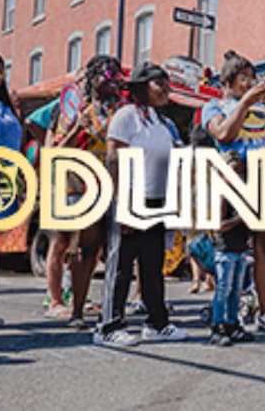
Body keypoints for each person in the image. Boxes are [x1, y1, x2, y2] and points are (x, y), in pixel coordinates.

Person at [95, 62, 189, 346]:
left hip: (157, 199)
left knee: (152, 265)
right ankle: (108, 327)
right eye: (158, 83)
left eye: (166, 83)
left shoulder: (161, 121)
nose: (165, 89)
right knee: (121, 264)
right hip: (130, 196)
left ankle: (156, 324)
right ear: (141, 86)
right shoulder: (125, 117)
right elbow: (114, 160)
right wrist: (121, 202)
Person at [201, 50, 265, 333]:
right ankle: (228, 317)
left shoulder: (264, 109)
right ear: (227, 81)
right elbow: (224, 134)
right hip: (236, 181)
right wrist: (246, 102)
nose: (249, 83)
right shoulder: (214, 107)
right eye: (243, 78)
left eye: (252, 78)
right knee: (234, 252)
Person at [43, 56, 124, 328]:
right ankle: (70, 306)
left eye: (116, 75)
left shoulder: (121, 110)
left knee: (105, 249)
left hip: (113, 188)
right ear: (92, 78)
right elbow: (55, 152)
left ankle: (105, 307)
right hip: (80, 187)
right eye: (107, 75)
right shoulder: (77, 111)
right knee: (78, 247)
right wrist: (77, 128)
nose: (113, 80)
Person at [209, 151, 256, 347]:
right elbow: (218, 225)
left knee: (236, 290)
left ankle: (232, 323)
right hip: (225, 249)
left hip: (240, 248)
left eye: (240, 171)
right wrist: (240, 218)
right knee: (223, 288)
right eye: (232, 171)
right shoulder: (221, 194)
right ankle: (217, 325)